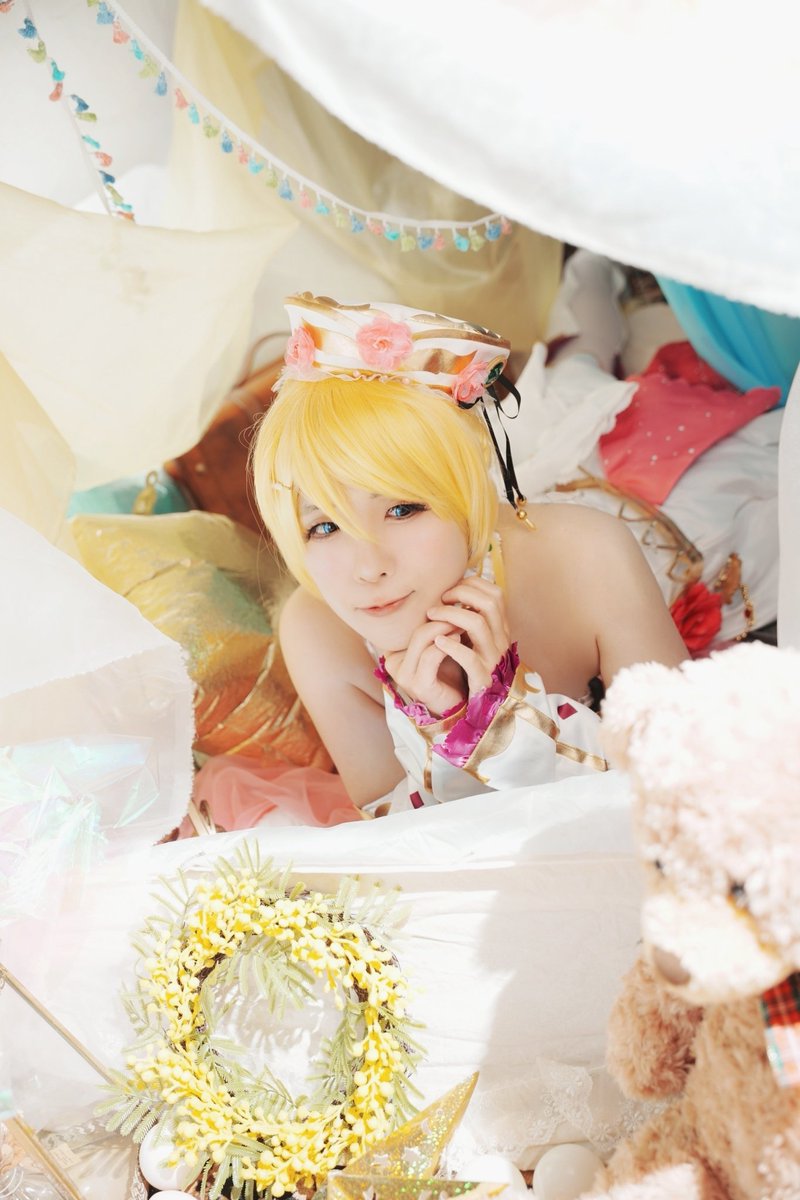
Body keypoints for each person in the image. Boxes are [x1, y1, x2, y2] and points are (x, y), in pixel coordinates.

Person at [252, 293, 686, 813]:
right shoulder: (316, 627)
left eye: (402, 509)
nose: (368, 568)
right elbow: (399, 840)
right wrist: (452, 724)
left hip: (648, 507)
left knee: (586, 381)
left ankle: (593, 305)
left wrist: (506, 721)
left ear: (464, 497)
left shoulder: (589, 554)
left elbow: (685, 781)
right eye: (324, 526)